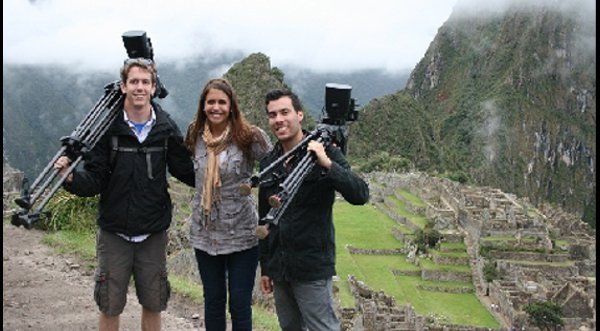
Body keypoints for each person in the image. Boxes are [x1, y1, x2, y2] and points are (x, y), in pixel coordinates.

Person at [53, 58, 195, 331]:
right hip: (114, 231)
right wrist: (69, 177)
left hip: (152, 232)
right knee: (110, 304)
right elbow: (94, 180)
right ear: (123, 86)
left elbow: (185, 171)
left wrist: (217, 172)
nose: (139, 87)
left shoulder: (165, 129)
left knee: (154, 303)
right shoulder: (108, 130)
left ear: (154, 88)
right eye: (134, 82)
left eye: (145, 82)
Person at [258, 89, 369, 331]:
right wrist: (266, 267)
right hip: (280, 267)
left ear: (299, 114)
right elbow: (263, 217)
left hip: (311, 267)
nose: (279, 120)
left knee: (322, 327)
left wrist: (327, 163)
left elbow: (360, 194)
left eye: (285, 112)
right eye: (272, 115)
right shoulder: (268, 162)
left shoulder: (326, 151)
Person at [184, 78, 272, 331]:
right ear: (203, 106)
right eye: (211, 102)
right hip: (205, 234)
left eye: (222, 102)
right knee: (213, 301)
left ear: (232, 106)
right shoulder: (195, 134)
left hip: (242, 234)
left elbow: (274, 167)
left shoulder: (249, 137)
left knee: (240, 304)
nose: (216, 107)